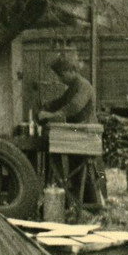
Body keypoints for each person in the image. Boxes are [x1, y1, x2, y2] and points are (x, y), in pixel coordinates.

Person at [36, 53, 106, 205]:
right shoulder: (73, 87)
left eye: (62, 75)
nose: (61, 79)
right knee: (75, 170)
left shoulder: (84, 86)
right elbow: (61, 101)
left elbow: (73, 107)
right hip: (77, 134)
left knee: (84, 172)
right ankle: (75, 201)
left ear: (71, 70)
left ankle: (90, 202)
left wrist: (50, 114)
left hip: (86, 134)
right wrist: (47, 105)